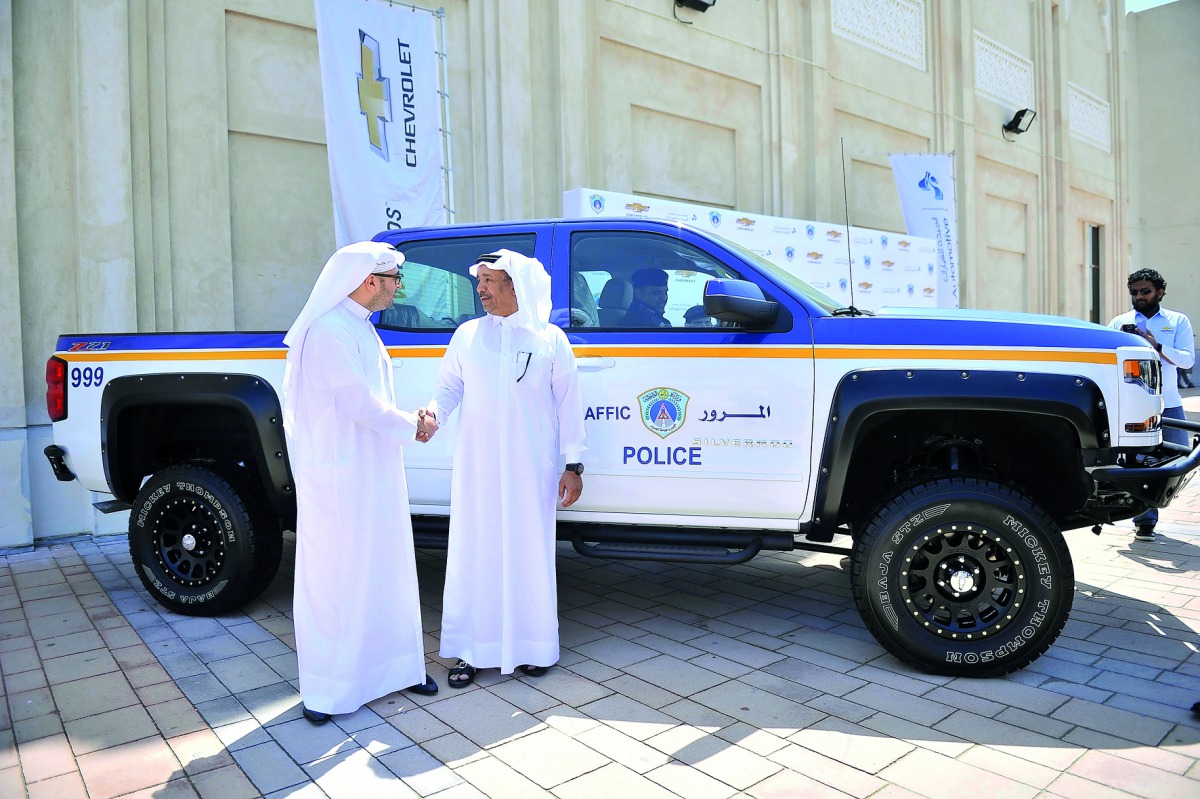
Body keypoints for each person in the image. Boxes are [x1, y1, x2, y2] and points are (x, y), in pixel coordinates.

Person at [282, 241, 438, 725]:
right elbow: (356, 402)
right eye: (395, 281)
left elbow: (371, 398)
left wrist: (408, 420)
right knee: (337, 578)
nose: (398, 289)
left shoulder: (359, 328)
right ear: (371, 281)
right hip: (340, 477)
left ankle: (396, 670)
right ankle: (328, 690)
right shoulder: (330, 331)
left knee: (385, 568)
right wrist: (411, 424)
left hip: (373, 470)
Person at [420, 250, 586, 687]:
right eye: (481, 281)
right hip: (477, 469)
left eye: (491, 281)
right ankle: (471, 651)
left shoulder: (549, 339)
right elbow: (448, 387)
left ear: (518, 285)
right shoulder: (468, 335)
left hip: (529, 469)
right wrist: (434, 414)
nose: (482, 289)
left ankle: (532, 649)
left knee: (527, 554)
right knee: (476, 552)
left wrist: (574, 465)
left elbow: (570, 406)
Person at [1108, 267, 1196, 542]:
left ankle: (1156, 502)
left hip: (1169, 404)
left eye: (1145, 291)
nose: (1139, 296)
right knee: (1138, 461)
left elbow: (1187, 360)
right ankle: (1144, 519)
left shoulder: (1177, 321)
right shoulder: (1118, 322)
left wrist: (1156, 346)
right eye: (1134, 292)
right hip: (1134, 406)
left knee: (1179, 457)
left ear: (1160, 291)